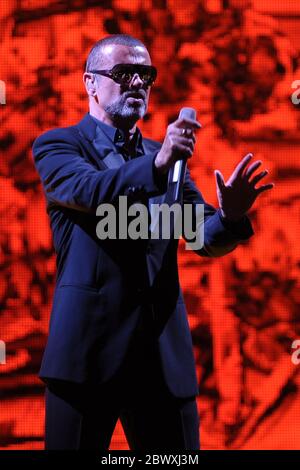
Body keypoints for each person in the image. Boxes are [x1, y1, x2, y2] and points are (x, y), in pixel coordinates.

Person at [32, 34, 274, 450]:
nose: (138, 84)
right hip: (87, 359)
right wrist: (159, 164)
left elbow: (200, 236)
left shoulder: (165, 156)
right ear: (90, 82)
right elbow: (91, 191)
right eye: (125, 73)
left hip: (162, 362)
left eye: (146, 75)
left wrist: (229, 217)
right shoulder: (60, 146)